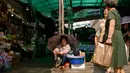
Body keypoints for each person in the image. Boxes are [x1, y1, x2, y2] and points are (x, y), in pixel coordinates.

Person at [103, 0, 128, 73]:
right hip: (119, 36)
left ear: (107, 5)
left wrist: (109, 38)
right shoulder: (116, 12)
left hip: (114, 37)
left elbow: (112, 24)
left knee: (115, 64)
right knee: (120, 66)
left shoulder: (111, 12)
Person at [94, 8, 112, 73]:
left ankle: (109, 68)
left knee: (109, 56)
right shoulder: (101, 22)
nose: (105, 11)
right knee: (101, 62)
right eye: (104, 11)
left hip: (110, 43)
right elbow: (97, 35)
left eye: (107, 11)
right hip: (102, 43)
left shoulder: (112, 21)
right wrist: (96, 45)